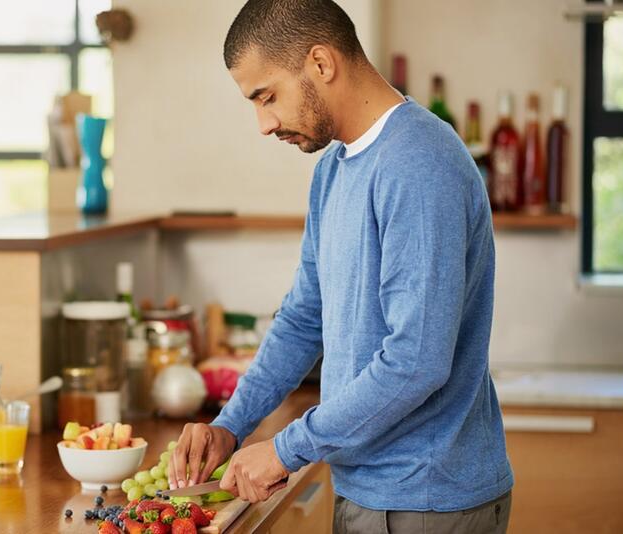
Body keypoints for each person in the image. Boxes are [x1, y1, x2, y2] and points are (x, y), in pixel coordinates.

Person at [167, 1, 514, 532]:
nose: (263, 124)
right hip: (368, 487)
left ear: (321, 64)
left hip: (426, 497)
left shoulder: (418, 162)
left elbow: (416, 361)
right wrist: (230, 426)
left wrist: (286, 449)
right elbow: (305, 317)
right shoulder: (335, 167)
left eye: (267, 96)